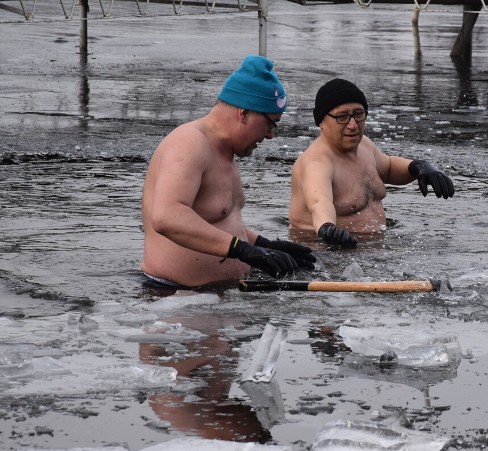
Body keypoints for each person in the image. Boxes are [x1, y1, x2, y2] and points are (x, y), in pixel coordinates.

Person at [141, 55, 316, 288]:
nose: (270, 135)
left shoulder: (224, 152)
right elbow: (166, 217)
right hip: (172, 299)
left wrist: (264, 245)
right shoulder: (189, 143)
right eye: (270, 124)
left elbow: (216, 220)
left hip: (215, 298)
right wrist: (241, 250)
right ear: (243, 114)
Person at [288, 78, 454, 248]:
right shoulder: (316, 163)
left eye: (358, 114)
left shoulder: (364, 145)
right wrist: (327, 228)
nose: (353, 125)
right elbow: (318, 201)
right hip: (326, 252)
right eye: (342, 117)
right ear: (321, 121)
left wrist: (419, 167)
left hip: (370, 249)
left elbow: (388, 167)